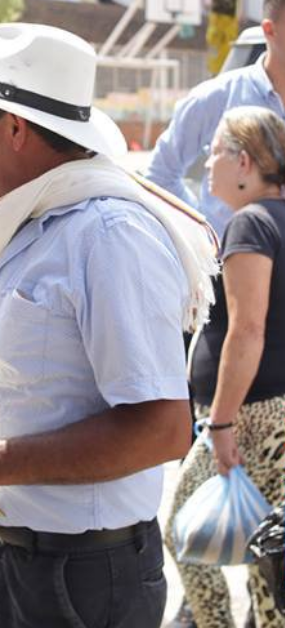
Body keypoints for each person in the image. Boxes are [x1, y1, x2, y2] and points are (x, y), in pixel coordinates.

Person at [0, 23, 219, 628]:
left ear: (13, 128)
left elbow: (164, 429)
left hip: (86, 571)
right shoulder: (38, 220)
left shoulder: (108, 234)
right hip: (36, 557)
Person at [166, 106, 285, 628]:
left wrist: (220, 422)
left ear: (243, 161)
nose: (206, 164)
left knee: (184, 532)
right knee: (271, 545)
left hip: (254, 413)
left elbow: (247, 330)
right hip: (274, 410)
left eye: (214, 152)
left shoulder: (252, 224)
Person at [147, 0, 285, 237]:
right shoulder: (217, 96)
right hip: (228, 264)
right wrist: (206, 229)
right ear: (269, 30)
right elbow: (161, 175)